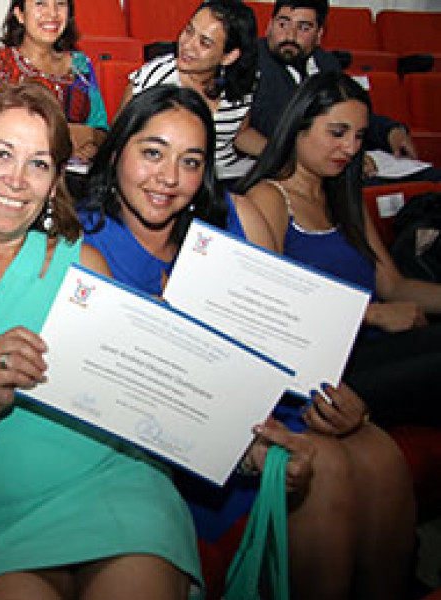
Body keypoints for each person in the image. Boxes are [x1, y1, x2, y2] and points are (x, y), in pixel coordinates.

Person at [81, 83, 415, 600]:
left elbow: (288, 341)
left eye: (191, 162)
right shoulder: (83, 243)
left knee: (379, 452)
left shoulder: (237, 216)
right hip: (173, 435)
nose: (169, 178)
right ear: (118, 150)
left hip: (266, 402)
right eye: (152, 153)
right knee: (322, 466)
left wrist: (335, 398)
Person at [0, 81, 201, 600]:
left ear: (55, 183)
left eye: (39, 164)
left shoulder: (84, 264)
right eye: (1, 154)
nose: (17, 180)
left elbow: (141, 399)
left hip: (114, 487)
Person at [240, 70, 441, 431]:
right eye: (337, 133)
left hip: (377, 348)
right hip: (327, 369)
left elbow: (394, 286)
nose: (350, 148)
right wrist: (372, 315)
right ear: (299, 127)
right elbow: (272, 311)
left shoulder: (343, 197)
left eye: (359, 136)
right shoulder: (268, 198)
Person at [243, 0, 441, 185]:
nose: (290, 36)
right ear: (269, 26)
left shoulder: (327, 63)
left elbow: (351, 113)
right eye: (283, 24)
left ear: (319, 35)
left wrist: (391, 131)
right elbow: (270, 125)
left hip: (333, 156)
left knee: (430, 179)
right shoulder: (250, 62)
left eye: (304, 28)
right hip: (282, 162)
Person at [118, 0, 259, 184]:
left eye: (204, 43)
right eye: (189, 31)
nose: (187, 45)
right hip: (174, 177)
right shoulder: (155, 76)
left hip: (228, 176)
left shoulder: (245, 82)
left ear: (228, 57)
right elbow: (120, 136)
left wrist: (279, 153)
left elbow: (240, 134)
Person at [0, 0, 107, 164]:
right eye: (40, 3)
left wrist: (91, 139)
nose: (52, 13)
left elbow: (103, 132)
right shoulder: (3, 64)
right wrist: (60, 138)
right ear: (20, 14)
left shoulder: (81, 66)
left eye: (60, 4)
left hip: (76, 171)